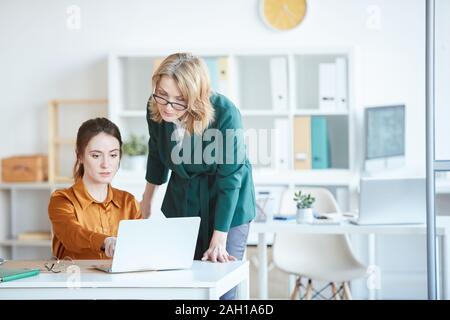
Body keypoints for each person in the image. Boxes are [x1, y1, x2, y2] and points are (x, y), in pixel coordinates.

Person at [140, 53, 256, 299]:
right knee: (187, 283)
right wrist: (147, 201)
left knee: (221, 285)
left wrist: (219, 237)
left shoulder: (225, 113)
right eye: (162, 93)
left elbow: (230, 179)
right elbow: (157, 153)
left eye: (179, 100)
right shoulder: (156, 107)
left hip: (228, 202)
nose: (168, 106)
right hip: (184, 197)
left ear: (196, 96)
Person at [48, 117, 142, 260]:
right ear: (80, 156)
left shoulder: (128, 202)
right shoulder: (62, 200)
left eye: (113, 155)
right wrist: (105, 241)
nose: (106, 164)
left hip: (121, 281)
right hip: (76, 280)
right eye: (96, 155)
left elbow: (140, 248)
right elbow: (73, 234)